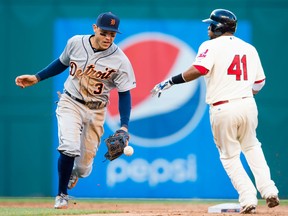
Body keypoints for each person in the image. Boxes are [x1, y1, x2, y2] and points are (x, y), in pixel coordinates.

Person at [151, 9, 279, 214]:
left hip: (223, 106)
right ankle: (269, 190)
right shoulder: (249, 48)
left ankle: (248, 198)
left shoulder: (210, 46)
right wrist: (244, 94)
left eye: (211, 24)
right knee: (252, 147)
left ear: (219, 27)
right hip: (247, 104)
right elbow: (260, 82)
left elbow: (199, 69)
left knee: (229, 156)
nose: (208, 28)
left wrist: (170, 81)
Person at [15, 12, 136, 209]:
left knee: (83, 167)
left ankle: (74, 173)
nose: (108, 38)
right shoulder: (75, 42)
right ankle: (62, 194)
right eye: (104, 32)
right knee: (69, 147)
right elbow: (61, 63)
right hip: (70, 102)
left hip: (97, 110)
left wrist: (124, 126)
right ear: (95, 28)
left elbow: (124, 94)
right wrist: (37, 77)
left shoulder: (120, 60)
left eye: (112, 35)